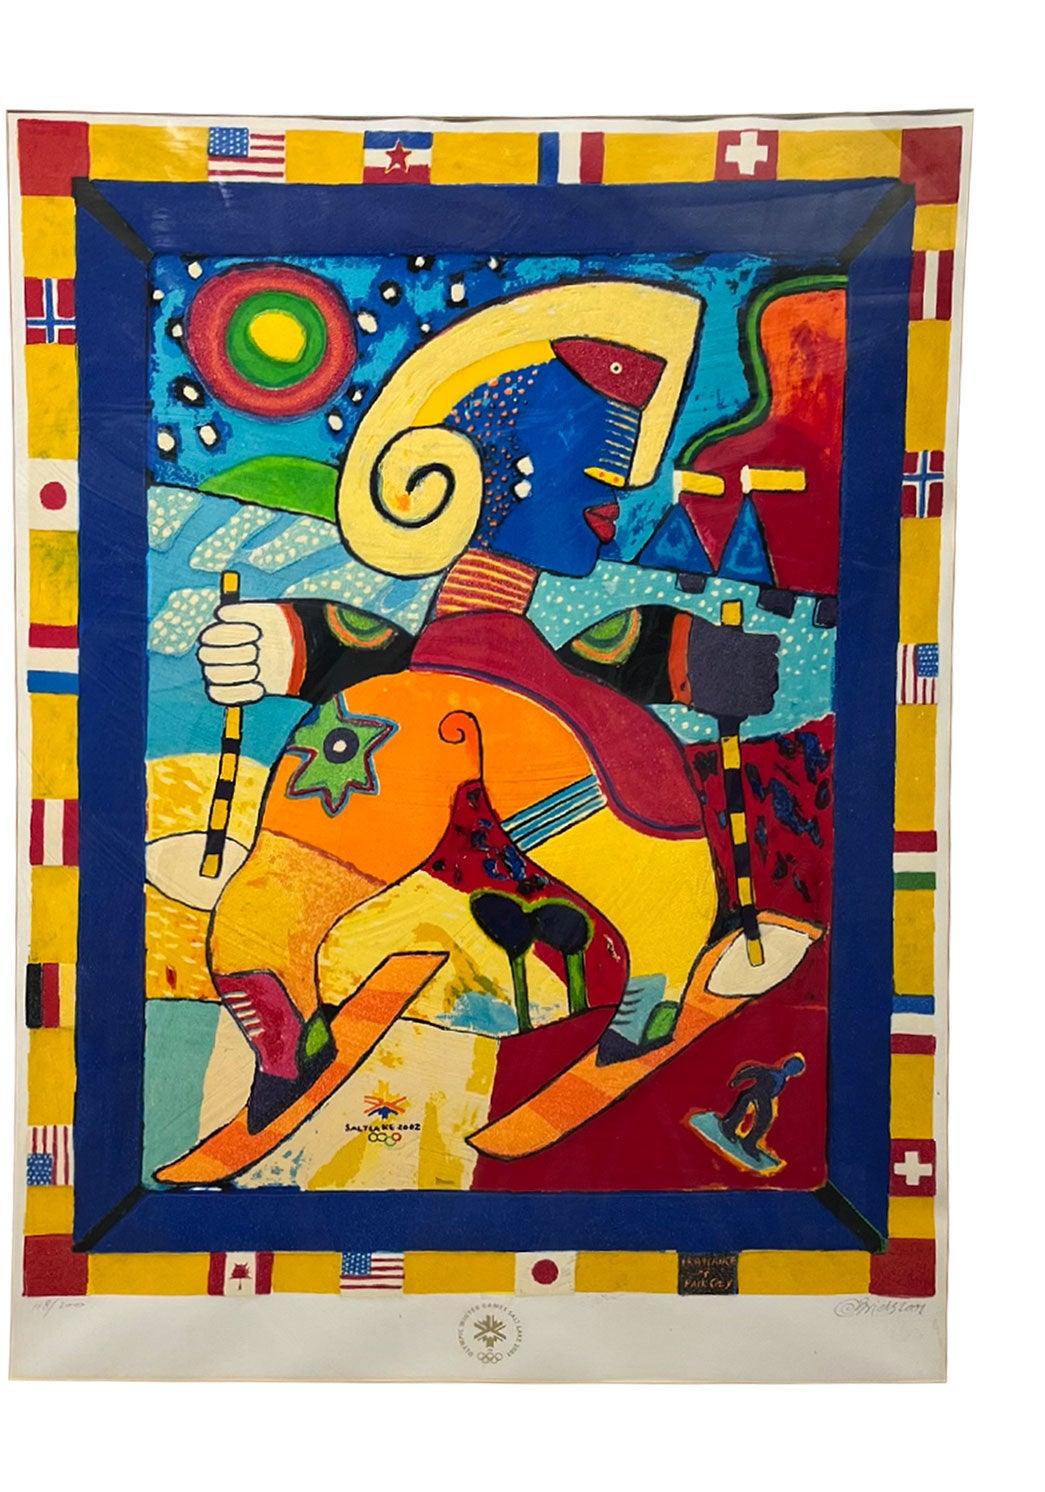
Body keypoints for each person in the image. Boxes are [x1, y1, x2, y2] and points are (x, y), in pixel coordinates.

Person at [196, 280, 780, 1131]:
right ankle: (654, 985)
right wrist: (702, 661)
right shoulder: (533, 678)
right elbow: (607, 651)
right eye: (595, 477)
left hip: (393, 735)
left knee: (298, 866)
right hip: (554, 761)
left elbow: (392, 651)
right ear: (496, 472)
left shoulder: (411, 680)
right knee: (659, 869)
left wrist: (287, 641)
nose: (611, 516)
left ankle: (272, 992)